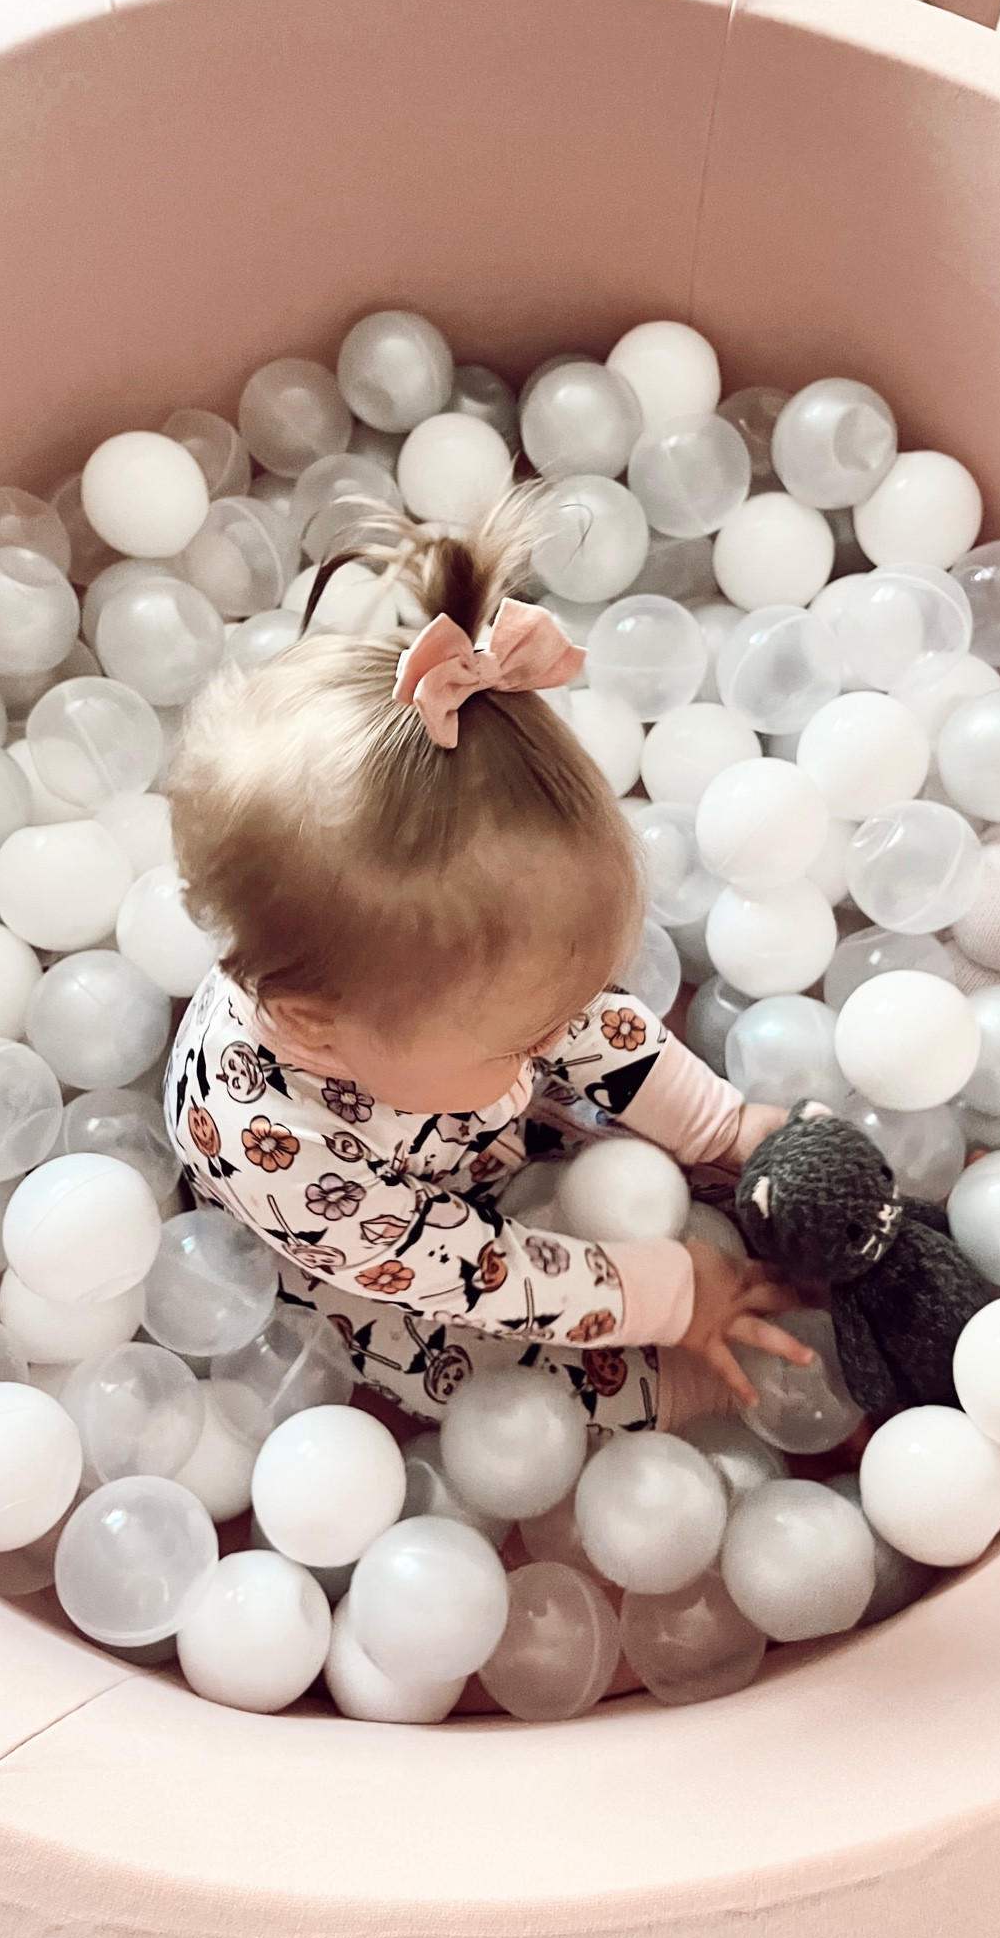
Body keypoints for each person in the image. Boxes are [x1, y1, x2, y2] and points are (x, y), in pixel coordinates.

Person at [164, 488, 809, 1435]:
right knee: (466, 1369)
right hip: (380, 1258)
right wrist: (675, 1299)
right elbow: (489, 1274)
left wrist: (718, 1125)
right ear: (314, 1023)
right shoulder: (282, 1156)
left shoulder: (451, 989)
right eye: (520, 1034)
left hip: (456, 1117)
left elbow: (579, 1019)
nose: (556, 1035)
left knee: (567, 1082)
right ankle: (689, 1395)